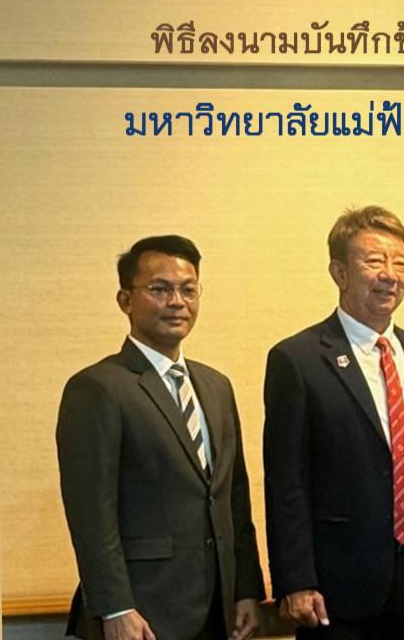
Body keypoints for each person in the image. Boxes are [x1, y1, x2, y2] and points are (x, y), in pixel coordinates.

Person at [262, 206, 404, 639]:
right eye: (374, 261)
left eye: (400, 263)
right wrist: (296, 580)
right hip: (335, 586)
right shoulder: (297, 359)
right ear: (339, 272)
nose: (390, 275)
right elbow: (286, 482)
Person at [57, 235, 264, 640]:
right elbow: (91, 513)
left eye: (188, 290)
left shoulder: (216, 386)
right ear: (125, 300)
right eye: (159, 289)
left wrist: (245, 589)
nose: (177, 302)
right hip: (141, 612)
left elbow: (233, 498)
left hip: (217, 609)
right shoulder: (97, 388)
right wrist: (115, 607)